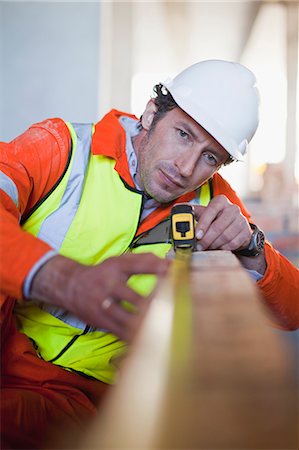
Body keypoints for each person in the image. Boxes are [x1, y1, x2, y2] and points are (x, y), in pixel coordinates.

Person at [1, 60, 298, 449]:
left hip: (81, 398)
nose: (186, 167)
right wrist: (62, 278)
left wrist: (252, 248)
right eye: (184, 135)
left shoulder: (211, 201)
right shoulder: (63, 149)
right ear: (151, 112)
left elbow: (293, 309)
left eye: (211, 157)